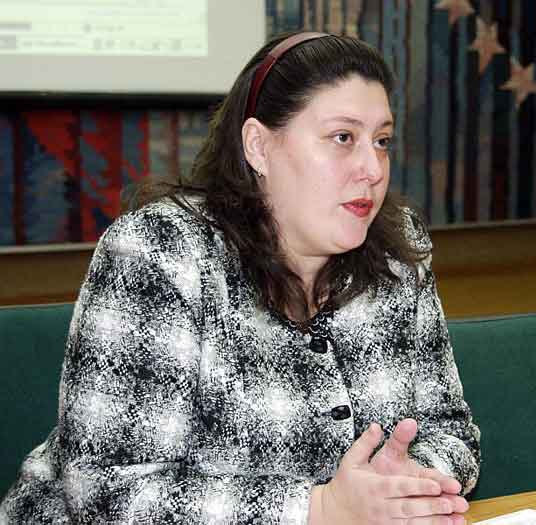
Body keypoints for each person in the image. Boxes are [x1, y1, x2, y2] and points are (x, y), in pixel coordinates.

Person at [0, 31, 480, 524]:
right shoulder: (161, 251)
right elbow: (109, 491)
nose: (373, 169)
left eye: (381, 141)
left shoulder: (399, 251)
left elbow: (451, 432)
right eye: (343, 138)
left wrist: (400, 484)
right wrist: (317, 509)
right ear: (258, 146)